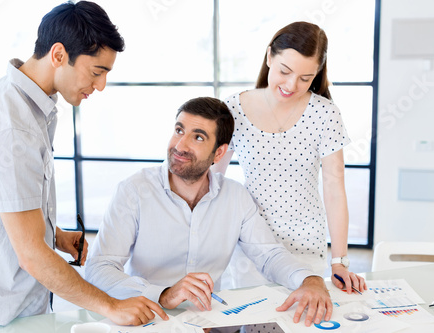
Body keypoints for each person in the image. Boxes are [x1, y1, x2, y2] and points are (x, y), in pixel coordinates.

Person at [0, 1, 167, 326]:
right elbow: (30, 254)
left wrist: (55, 234)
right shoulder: (12, 127)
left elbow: (8, 203)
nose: (101, 86)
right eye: (97, 72)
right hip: (5, 314)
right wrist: (110, 306)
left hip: (23, 304)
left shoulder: (27, 103)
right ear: (58, 55)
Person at [85, 97, 333, 327]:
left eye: (198, 137)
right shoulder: (133, 191)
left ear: (219, 153)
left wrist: (310, 280)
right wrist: (163, 293)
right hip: (148, 319)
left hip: (210, 322)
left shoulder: (235, 197)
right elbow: (99, 269)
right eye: (179, 130)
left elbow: (269, 255)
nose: (180, 145)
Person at [212, 21, 366, 292]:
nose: (292, 85)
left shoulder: (325, 113)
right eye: (285, 71)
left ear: (317, 74)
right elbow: (213, 180)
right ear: (270, 56)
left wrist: (339, 261)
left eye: (305, 79)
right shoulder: (233, 108)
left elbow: (334, 187)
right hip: (252, 243)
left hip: (306, 244)